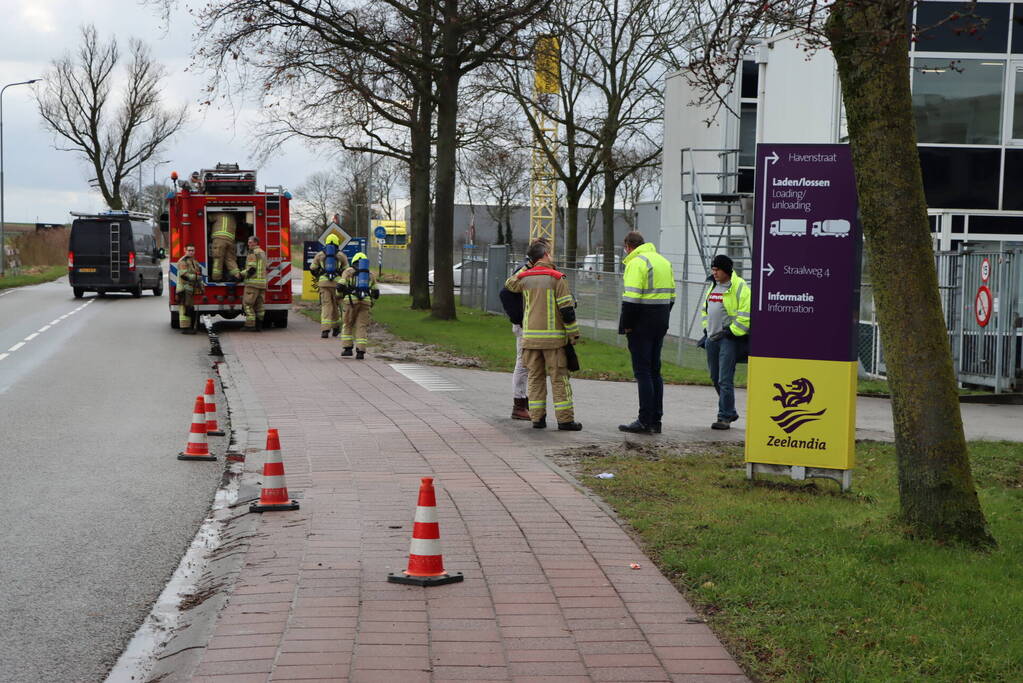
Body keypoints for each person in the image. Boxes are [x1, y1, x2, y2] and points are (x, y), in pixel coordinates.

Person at [503, 240, 582, 431]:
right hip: (553, 341)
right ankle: (565, 420)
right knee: (559, 379)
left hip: (530, 340)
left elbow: (509, 284)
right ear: (546, 254)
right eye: (550, 253)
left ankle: (537, 419)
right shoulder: (557, 278)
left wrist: (529, 266)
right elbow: (567, 310)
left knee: (535, 378)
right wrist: (574, 335)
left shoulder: (524, 278)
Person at [617, 231, 675, 434]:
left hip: (641, 322)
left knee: (643, 372)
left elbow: (631, 299)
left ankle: (644, 420)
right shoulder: (663, 261)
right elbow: (672, 297)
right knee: (654, 371)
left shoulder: (636, 262)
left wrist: (627, 325)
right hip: (660, 320)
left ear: (628, 246)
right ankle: (656, 420)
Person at [701, 254, 751, 429]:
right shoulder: (713, 286)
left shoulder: (740, 287)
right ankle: (730, 411)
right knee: (715, 377)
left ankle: (724, 417)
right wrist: (706, 331)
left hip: (729, 340)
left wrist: (730, 332)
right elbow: (706, 310)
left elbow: (745, 316)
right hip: (712, 339)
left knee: (724, 379)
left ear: (726, 270)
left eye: (717, 270)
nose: (714, 273)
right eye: (713, 269)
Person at [499, 251, 535, 421]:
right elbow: (505, 293)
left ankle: (524, 403)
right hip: (524, 326)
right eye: (548, 252)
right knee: (523, 363)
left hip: (530, 325)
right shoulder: (524, 270)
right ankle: (519, 404)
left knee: (528, 363)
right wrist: (519, 318)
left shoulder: (530, 270)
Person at [338, 252, 380, 359]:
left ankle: (347, 349)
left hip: (350, 302)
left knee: (348, 324)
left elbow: (340, 287)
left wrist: (340, 295)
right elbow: (376, 294)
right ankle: (360, 351)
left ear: (354, 261)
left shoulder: (348, 271)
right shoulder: (370, 274)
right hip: (365, 303)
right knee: (361, 326)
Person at [310, 235, 350, 338]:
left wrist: (319, 275)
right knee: (336, 306)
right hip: (337, 284)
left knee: (326, 305)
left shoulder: (320, 255)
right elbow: (347, 271)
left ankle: (325, 330)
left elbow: (312, 268)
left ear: (326, 243)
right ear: (337, 243)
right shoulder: (341, 255)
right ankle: (336, 328)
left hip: (323, 284)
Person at [176, 244, 204, 334]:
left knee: (189, 307)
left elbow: (198, 274)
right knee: (184, 308)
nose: (191, 252)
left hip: (190, 289)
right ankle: (185, 328)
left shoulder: (194, 261)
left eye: (192, 250)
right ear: (185, 250)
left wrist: (201, 286)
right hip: (183, 289)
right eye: (189, 250)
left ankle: (189, 327)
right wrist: (196, 277)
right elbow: (184, 275)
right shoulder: (182, 261)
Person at [242, 235, 267, 331]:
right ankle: (259, 325)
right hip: (262, 283)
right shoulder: (262, 252)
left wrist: (240, 274)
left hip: (252, 284)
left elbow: (251, 269)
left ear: (256, 243)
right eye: (248, 242)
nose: (248, 244)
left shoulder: (252, 253)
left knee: (248, 304)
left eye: (250, 242)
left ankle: (250, 325)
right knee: (260, 306)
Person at [209, 212, 242, 282]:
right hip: (230, 241)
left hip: (219, 239)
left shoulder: (218, 214)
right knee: (230, 259)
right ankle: (237, 275)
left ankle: (216, 278)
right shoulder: (233, 218)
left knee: (218, 258)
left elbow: (209, 218)